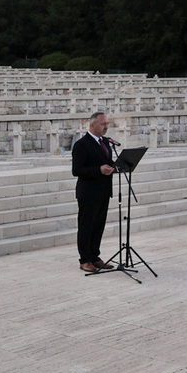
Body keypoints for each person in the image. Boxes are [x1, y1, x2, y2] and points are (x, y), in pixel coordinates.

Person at [72, 112, 116, 273]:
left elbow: (107, 162)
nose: (106, 127)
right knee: (86, 226)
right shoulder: (82, 144)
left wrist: (119, 165)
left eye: (107, 124)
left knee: (98, 226)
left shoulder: (105, 142)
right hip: (88, 193)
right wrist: (99, 170)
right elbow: (77, 170)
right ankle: (85, 260)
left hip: (103, 191)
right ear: (93, 125)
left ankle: (95, 257)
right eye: (103, 124)